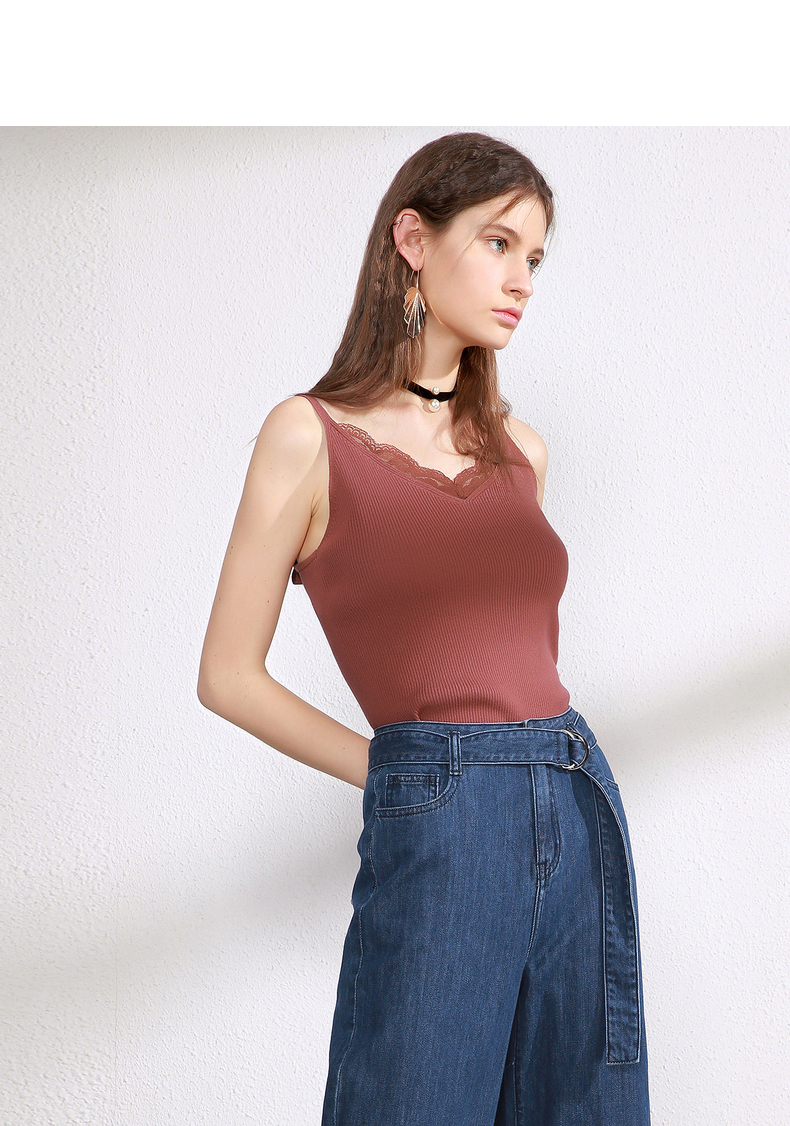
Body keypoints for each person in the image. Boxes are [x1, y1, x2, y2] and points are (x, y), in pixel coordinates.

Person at [197, 131, 651, 1126]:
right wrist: (400, 773)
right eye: (498, 243)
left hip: (574, 792)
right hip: (446, 817)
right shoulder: (307, 436)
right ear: (412, 238)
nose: (521, 280)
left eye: (535, 259)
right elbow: (227, 674)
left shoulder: (521, 451)